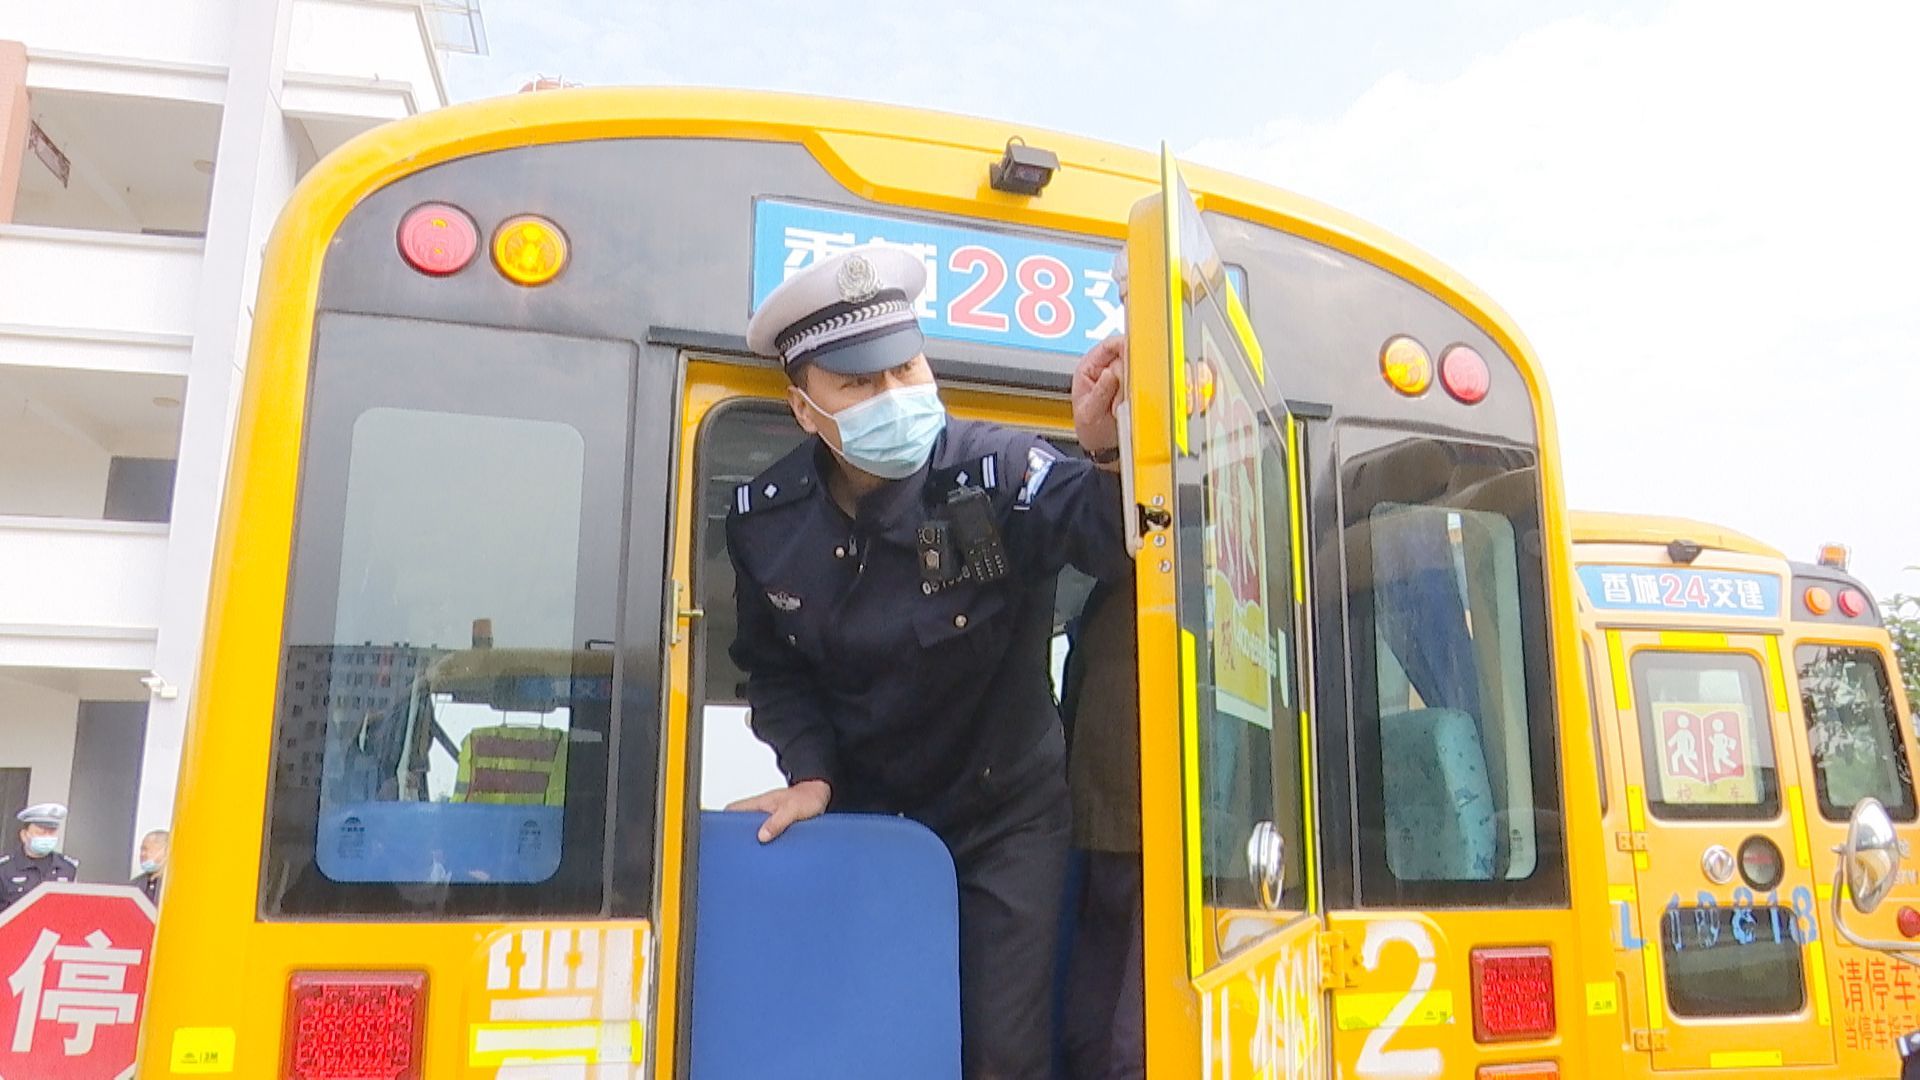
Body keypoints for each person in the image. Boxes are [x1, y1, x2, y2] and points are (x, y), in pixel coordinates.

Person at [724, 243, 1131, 1079]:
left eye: (906, 369)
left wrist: (1105, 455)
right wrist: (811, 775)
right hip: (869, 818)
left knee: (1000, 1054)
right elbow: (774, 671)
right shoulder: (767, 524)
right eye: (859, 384)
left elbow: (1113, 537)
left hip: (1007, 817)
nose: (895, 396)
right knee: (877, 1041)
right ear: (805, 409)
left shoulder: (997, 471)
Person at [1059, 578, 1144, 1080]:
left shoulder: (1101, 601)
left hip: (1094, 824)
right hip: (1154, 827)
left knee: (1096, 999)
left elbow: (1069, 713)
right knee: (1136, 1028)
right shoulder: (1173, 589)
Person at [0, 803, 79, 911]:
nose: (46, 837)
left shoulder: (67, 868)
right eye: (40, 832)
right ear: (24, 835)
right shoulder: (4, 869)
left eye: (51, 833)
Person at [131, 829, 169, 904]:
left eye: (146, 849)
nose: (142, 854)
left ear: (166, 851)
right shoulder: (135, 885)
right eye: (141, 850)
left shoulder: (179, 886)